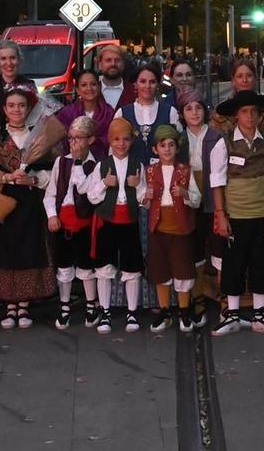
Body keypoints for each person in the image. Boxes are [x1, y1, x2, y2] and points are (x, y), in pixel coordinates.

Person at [0, 85, 60, 328]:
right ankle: (10, 305)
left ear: (28, 108)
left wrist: (32, 179)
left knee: (29, 248)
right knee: (5, 250)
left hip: (30, 203)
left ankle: (24, 305)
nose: (16, 110)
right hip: (5, 204)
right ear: (4, 109)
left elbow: (54, 173)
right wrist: (7, 177)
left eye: (21, 105)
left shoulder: (41, 137)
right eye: (11, 106)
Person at [212, 89, 264, 336]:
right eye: (244, 111)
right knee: (233, 262)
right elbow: (217, 181)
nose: (250, 116)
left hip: (261, 211)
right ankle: (231, 314)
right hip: (234, 213)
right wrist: (221, 214)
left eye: (254, 111)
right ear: (236, 116)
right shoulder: (224, 143)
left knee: (261, 261)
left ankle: (259, 313)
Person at [82, 115, 151, 332]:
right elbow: (91, 197)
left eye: (126, 140)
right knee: (104, 267)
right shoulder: (102, 166)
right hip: (107, 221)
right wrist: (104, 183)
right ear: (110, 141)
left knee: (132, 267)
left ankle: (132, 312)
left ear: (131, 141)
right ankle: (105, 311)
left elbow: (143, 200)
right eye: (117, 140)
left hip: (129, 221)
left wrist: (138, 186)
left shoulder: (137, 165)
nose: (121, 144)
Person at [144, 125, 203, 332]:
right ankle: (164, 311)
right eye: (163, 145)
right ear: (155, 150)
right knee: (160, 270)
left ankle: (185, 311)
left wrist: (185, 193)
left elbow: (197, 200)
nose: (167, 149)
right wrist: (146, 197)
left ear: (177, 149)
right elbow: (142, 199)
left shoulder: (185, 171)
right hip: (158, 228)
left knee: (183, 270)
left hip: (180, 229)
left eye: (171, 145)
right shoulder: (149, 171)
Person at [178, 91, 228, 328]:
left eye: (198, 107)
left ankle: (226, 302)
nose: (194, 112)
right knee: (194, 253)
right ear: (182, 114)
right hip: (189, 202)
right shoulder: (179, 140)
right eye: (189, 109)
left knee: (219, 251)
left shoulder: (217, 137)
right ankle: (198, 301)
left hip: (214, 200)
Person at [48, 116, 103, 329]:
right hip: (63, 222)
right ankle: (64, 305)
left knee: (85, 267)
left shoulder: (96, 165)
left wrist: (80, 165)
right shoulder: (61, 163)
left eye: (79, 138)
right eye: (71, 138)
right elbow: (51, 194)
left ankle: (91, 304)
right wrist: (52, 215)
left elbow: (88, 191)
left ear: (90, 140)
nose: (74, 143)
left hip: (85, 221)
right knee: (64, 267)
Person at [121, 63, 179, 164]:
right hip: (132, 175)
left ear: (158, 84)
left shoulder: (170, 112)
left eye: (152, 82)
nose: (147, 86)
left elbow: (178, 147)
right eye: (143, 81)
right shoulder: (122, 113)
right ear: (135, 84)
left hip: (162, 175)